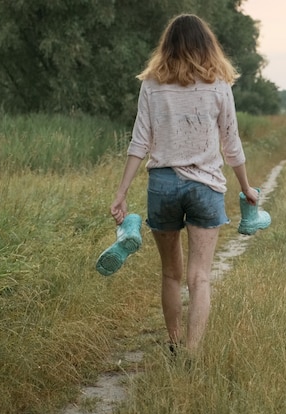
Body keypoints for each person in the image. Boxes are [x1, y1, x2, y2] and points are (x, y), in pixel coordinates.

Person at [109, 14, 259, 353]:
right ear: (208, 45)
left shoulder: (151, 84)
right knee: (200, 276)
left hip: (162, 185)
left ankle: (174, 344)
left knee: (170, 274)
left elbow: (139, 142)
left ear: (167, 46)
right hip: (206, 188)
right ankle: (192, 352)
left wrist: (121, 194)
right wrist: (246, 188)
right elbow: (232, 144)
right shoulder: (219, 84)